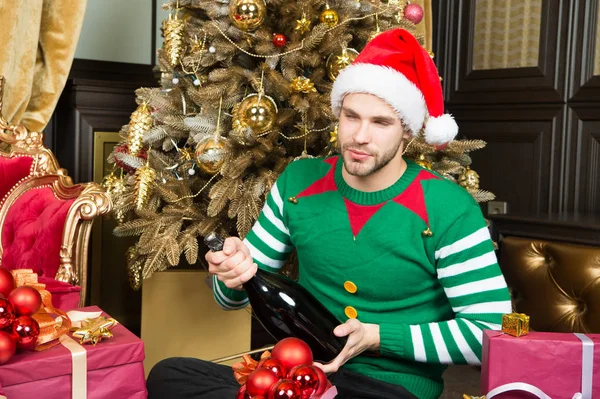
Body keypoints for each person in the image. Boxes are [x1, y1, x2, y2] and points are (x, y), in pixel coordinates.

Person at [146, 28, 512, 399]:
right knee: (169, 375)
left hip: (389, 387)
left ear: (407, 133)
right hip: (298, 376)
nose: (359, 136)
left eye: (380, 123)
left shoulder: (448, 207)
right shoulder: (299, 183)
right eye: (351, 117)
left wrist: (377, 337)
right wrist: (232, 274)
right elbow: (232, 299)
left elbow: (492, 335)